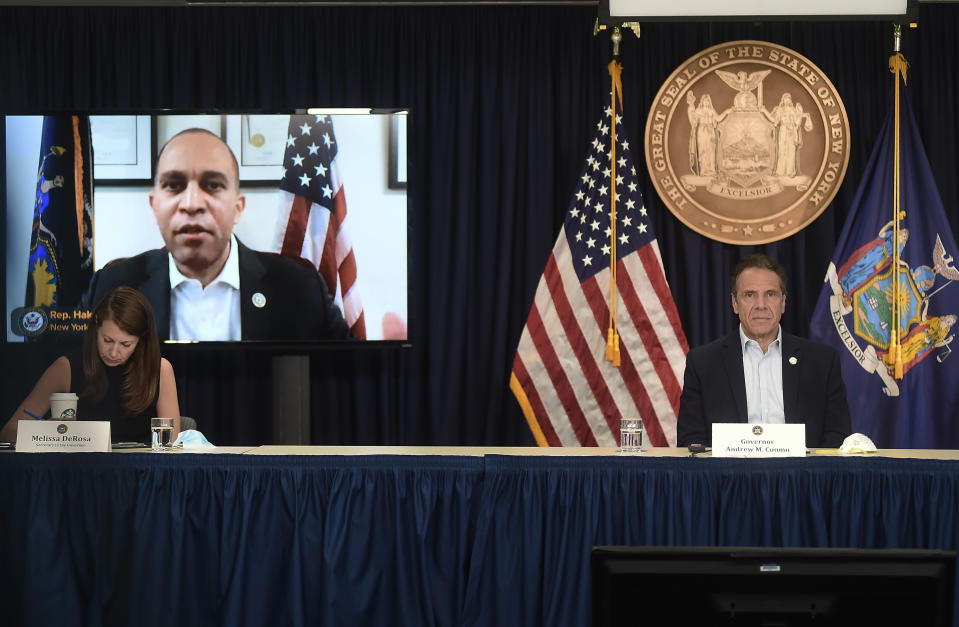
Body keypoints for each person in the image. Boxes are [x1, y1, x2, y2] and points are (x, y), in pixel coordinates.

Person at [82, 128, 352, 341]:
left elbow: (351, 377)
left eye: (212, 185)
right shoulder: (111, 287)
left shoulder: (299, 288)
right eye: (174, 185)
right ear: (155, 206)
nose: (191, 204)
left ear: (238, 207)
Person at [676, 254, 852, 448]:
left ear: (783, 302)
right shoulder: (702, 363)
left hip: (800, 476)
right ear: (735, 303)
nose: (761, 305)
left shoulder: (822, 362)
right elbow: (690, 441)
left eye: (770, 294)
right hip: (728, 476)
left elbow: (837, 438)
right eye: (750, 295)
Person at [0, 287, 180, 443]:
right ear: (96, 326)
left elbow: (171, 445)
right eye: (107, 340)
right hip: (80, 477)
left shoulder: (160, 370)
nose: (114, 352)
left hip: (142, 478)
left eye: (126, 344)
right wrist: (50, 431)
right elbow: (8, 433)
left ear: (141, 340)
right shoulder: (67, 368)